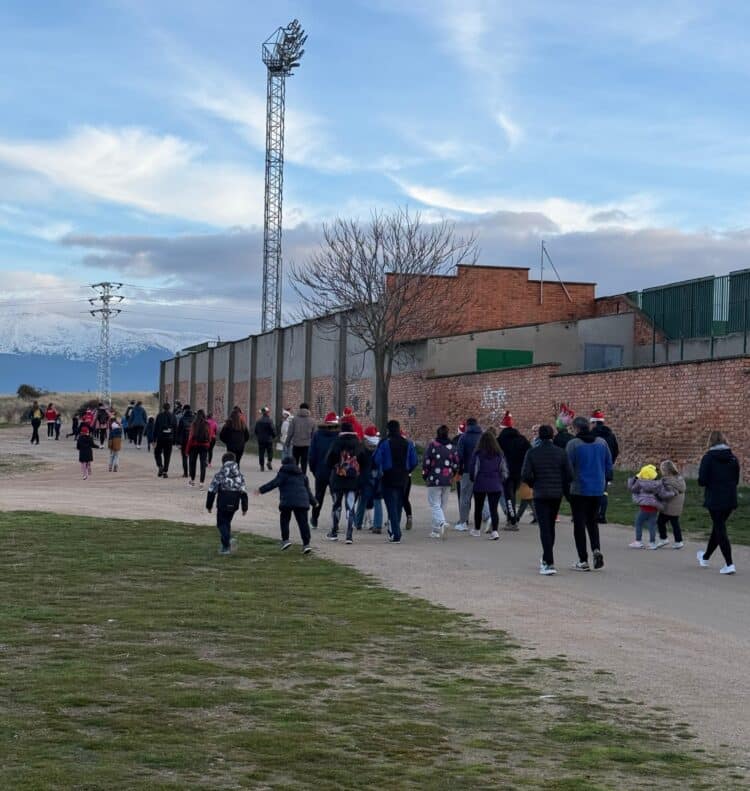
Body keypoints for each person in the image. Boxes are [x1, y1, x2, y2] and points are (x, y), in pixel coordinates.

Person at [521, 424, 573, 575]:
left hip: (540, 493)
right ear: (552, 436)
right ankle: (546, 557)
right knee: (550, 526)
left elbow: (525, 474)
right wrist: (559, 482)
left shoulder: (532, 453)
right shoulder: (561, 453)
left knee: (544, 528)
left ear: (539, 436)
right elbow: (569, 475)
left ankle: (548, 561)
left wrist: (534, 483)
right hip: (556, 493)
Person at [566, 416, 612, 571]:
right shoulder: (601, 443)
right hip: (598, 488)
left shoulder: (573, 444)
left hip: (579, 489)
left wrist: (568, 483)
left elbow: (568, 467)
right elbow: (608, 464)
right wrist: (605, 481)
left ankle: (583, 560)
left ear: (576, 428)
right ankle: (596, 549)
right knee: (592, 521)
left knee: (579, 524)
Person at [697, 431, 739, 575]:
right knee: (718, 527)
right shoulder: (733, 458)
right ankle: (705, 557)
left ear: (710, 442)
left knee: (720, 529)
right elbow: (736, 479)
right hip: (730, 498)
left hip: (714, 498)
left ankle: (729, 563)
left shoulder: (708, 458)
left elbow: (702, 480)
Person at [257, 454, 316, 553]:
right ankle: (306, 544)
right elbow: (308, 491)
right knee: (303, 523)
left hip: (287, 502)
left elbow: (273, 483)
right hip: (302, 502)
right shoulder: (302, 475)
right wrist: (314, 502)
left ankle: (285, 540)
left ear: (283, 464)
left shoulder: (283, 473)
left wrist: (261, 490)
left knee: (284, 520)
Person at [373, 420, 418, 544]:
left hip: (388, 476)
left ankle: (395, 533)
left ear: (388, 430)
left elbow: (377, 459)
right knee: (398, 504)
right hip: (403, 477)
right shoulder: (408, 443)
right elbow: (414, 461)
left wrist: (382, 470)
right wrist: (407, 470)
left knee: (391, 505)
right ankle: (395, 528)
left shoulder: (384, 443)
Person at [324, 420, 365, 544]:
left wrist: (334, 467)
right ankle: (349, 535)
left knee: (337, 505)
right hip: (353, 480)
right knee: (350, 507)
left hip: (337, 479)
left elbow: (329, 459)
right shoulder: (357, 443)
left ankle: (334, 531)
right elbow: (364, 461)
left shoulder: (337, 442)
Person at [468, 430, 509, 540]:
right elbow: (504, 470)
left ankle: (477, 530)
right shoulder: (499, 454)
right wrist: (501, 480)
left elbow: (473, 469)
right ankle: (495, 531)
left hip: (480, 483)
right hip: (495, 483)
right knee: (494, 509)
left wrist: (473, 479)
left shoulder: (478, 454)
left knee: (478, 507)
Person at [422, 425, 460, 539]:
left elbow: (427, 461)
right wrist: (452, 474)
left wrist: (425, 474)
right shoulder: (452, 448)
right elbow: (456, 463)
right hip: (447, 479)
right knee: (442, 505)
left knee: (434, 504)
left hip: (434, 479)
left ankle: (442, 523)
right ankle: (436, 530)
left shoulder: (433, 446)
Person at [206, 452, 248, 555]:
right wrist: (244, 507)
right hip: (234, 502)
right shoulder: (240, 476)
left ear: (223, 462)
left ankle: (227, 541)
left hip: (223, 501)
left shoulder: (220, 474)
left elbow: (212, 490)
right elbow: (244, 492)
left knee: (221, 523)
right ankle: (225, 546)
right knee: (227, 522)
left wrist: (209, 505)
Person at [455, 417, 489, 531]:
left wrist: (458, 471)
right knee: (482, 496)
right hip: (483, 471)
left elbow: (459, 456)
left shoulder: (463, 438)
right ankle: (488, 517)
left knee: (465, 497)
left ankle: (463, 522)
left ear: (467, 426)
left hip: (467, 471)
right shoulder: (484, 437)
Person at [627, 465, 672, 549]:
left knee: (638, 523)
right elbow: (663, 494)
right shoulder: (658, 484)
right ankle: (652, 543)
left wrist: (634, 478)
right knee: (652, 525)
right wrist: (671, 493)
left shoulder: (640, 483)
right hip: (654, 507)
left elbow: (632, 489)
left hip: (644, 507)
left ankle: (638, 541)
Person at [497, 411, 528, 529]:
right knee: (512, 494)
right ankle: (511, 518)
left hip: (505, 472)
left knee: (508, 496)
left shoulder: (499, 440)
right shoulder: (522, 439)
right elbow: (528, 453)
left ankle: (512, 520)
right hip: (519, 472)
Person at [308, 412, 340, 528]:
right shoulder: (338, 436)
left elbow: (312, 455)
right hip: (335, 472)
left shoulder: (317, 435)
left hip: (320, 471)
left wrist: (314, 470)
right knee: (335, 497)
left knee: (318, 496)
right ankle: (335, 522)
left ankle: (314, 518)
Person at [590, 409, 620, 523]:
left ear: (594, 423)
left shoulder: (592, 435)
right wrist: (610, 462)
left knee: (592, 492)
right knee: (604, 492)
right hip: (607, 468)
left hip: (594, 468)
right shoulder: (611, 435)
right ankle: (602, 515)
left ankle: (593, 514)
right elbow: (616, 451)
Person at [355, 425, 384, 534]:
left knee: (363, 500)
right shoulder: (380, 446)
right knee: (377, 500)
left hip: (365, 475)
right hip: (378, 475)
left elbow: (358, 462)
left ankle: (358, 523)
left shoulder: (362, 447)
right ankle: (377, 525)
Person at [657, 460, 686, 549]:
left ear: (666, 470)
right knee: (675, 523)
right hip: (677, 506)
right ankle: (678, 541)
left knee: (660, 522)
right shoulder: (679, 479)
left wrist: (660, 495)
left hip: (668, 506)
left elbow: (670, 493)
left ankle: (663, 538)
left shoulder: (667, 481)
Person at [284, 402, 316, 474]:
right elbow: (314, 435)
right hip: (307, 445)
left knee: (295, 462)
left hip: (296, 444)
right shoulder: (312, 421)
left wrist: (287, 443)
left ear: (300, 409)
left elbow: (290, 433)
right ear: (308, 409)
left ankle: (295, 476)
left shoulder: (294, 420)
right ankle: (303, 476)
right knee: (304, 462)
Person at [186, 409, 212, 488]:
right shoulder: (207, 424)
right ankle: (201, 483)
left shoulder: (194, 424)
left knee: (192, 463)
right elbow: (210, 436)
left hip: (194, 446)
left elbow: (190, 437)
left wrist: (187, 449)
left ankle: (192, 481)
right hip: (204, 446)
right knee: (203, 464)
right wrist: (208, 444)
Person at [153, 402, 178, 478]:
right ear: (169, 408)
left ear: (163, 408)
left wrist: (154, 439)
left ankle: (160, 465)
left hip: (161, 437)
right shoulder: (173, 416)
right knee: (167, 455)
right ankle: (165, 471)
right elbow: (175, 428)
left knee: (157, 452)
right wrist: (175, 440)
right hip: (169, 438)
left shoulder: (159, 416)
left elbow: (156, 428)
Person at [253, 406, 276, 471]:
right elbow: (273, 430)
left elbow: (256, 431)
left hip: (261, 439)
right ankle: (269, 461)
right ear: (267, 413)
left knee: (261, 453)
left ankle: (262, 466)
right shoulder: (270, 421)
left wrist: (258, 436)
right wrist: (273, 436)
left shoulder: (258, 421)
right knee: (270, 452)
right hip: (269, 439)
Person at [176, 404, 195, 478]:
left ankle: (185, 473)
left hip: (184, 441)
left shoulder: (182, 419)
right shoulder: (195, 418)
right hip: (193, 440)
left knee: (184, 457)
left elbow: (179, 431)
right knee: (192, 457)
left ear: (184, 410)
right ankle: (191, 472)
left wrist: (178, 442)